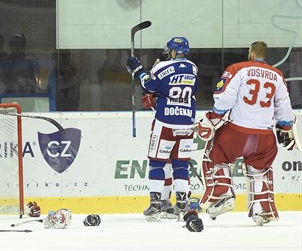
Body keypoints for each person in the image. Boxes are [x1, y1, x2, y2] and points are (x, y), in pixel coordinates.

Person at [196, 41, 296, 225]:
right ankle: (262, 209)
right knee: (260, 170)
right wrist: (287, 127)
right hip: (265, 137)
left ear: (251, 53)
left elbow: (225, 99)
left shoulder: (238, 69)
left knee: (216, 155)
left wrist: (212, 119)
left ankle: (222, 194)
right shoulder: (278, 75)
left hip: (236, 133)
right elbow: (284, 109)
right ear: (265, 55)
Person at [126, 37, 199, 222]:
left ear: (173, 51)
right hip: (187, 122)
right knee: (180, 164)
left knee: (157, 163)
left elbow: (149, 85)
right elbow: (191, 90)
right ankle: (182, 203)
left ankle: (155, 204)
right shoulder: (193, 68)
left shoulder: (162, 66)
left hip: (165, 122)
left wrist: (138, 70)